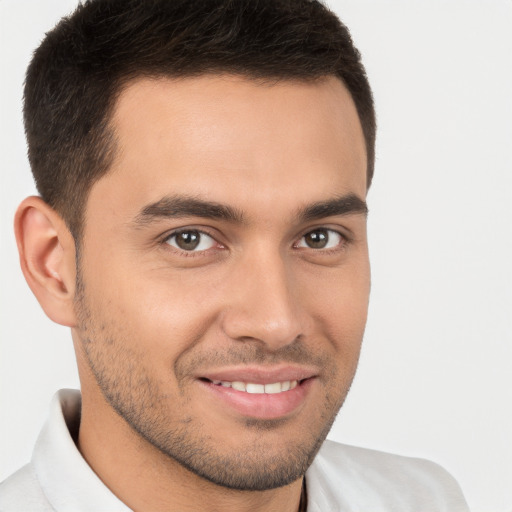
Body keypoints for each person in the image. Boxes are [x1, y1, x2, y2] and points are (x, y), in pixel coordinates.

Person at [0, 0, 470, 510]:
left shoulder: (425, 500)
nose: (276, 321)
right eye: (190, 240)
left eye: (319, 237)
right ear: (54, 266)